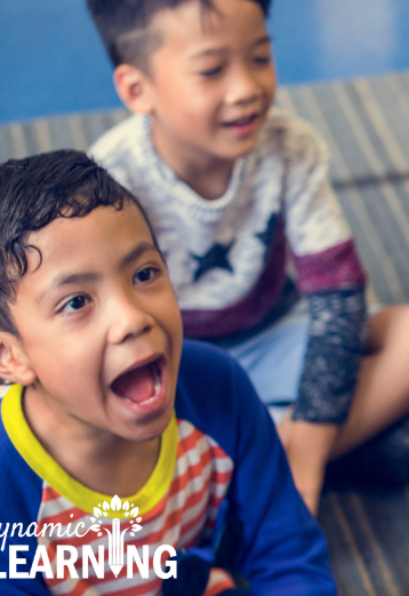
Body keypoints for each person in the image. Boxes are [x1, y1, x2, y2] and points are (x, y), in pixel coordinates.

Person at [85, 0, 409, 514]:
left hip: (277, 333)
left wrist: (311, 439)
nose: (247, 89)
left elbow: (338, 300)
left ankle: (270, 459)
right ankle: (308, 448)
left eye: (259, 57)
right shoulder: (110, 180)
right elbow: (100, 328)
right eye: (212, 70)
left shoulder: (290, 147)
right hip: (175, 365)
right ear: (138, 89)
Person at [0, 150, 335, 595]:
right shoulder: (10, 489)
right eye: (76, 302)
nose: (132, 318)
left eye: (144, 274)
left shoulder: (218, 386)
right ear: (10, 357)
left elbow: (287, 553)